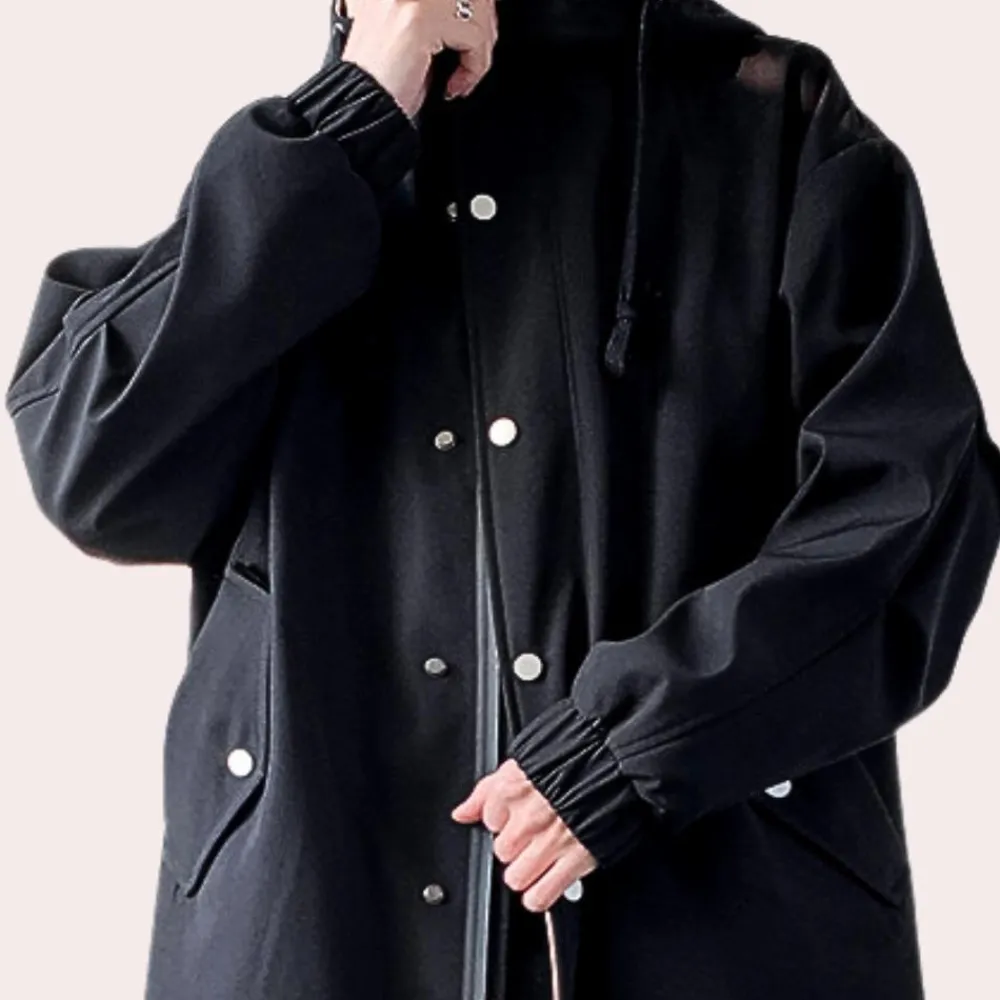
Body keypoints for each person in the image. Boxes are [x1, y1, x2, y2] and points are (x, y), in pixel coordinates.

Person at [6, 0, 1000, 998]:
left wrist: (636, 743)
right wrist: (351, 118)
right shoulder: (310, 165)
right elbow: (93, 468)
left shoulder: (769, 122)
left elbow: (915, 512)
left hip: (715, 925)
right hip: (322, 929)